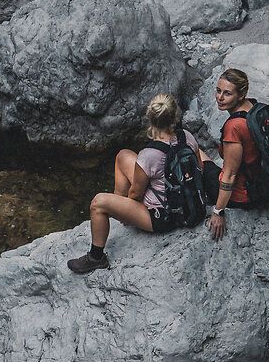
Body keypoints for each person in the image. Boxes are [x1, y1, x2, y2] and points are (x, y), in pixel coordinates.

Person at [67, 93, 212, 275]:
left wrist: (128, 210)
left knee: (98, 203)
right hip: (189, 202)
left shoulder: (149, 154)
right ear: (175, 117)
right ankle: (118, 207)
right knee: (123, 155)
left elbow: (135, 193)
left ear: (149, 118)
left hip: (164, 217)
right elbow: (199, 168)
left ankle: (97, 257)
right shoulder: (186, 137)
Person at [207, 65, 259, 242]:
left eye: (227, 93)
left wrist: (218, 211)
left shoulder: (234, 127)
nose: (220, 98)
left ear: (241, 95)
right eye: (218, 91)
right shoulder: (254, 108)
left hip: (240, 196)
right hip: (258, 185)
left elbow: (230, 174)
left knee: (195, 154)